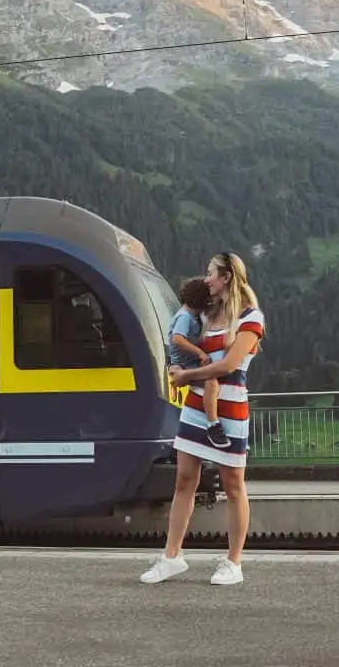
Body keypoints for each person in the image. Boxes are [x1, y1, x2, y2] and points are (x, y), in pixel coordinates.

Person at [140, 250, 264, 586]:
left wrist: (188, 376)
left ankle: (234, 562)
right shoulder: (207, 316)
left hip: (231, 408)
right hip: (197, 405)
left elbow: (229, 366)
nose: (206, 278)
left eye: (211, 273)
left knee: (233, 485)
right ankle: (171, 556)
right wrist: (183, 371)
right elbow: (201, 356)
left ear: (226, 277)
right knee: (184, 480)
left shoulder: (251, 319)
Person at [167, 277, 222, 436]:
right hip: (185, 365)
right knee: (211, 382)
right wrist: (200, 353)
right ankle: (213, 423)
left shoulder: (192, 316)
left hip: (188, 363)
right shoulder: (185, 317)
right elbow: (177, 339)